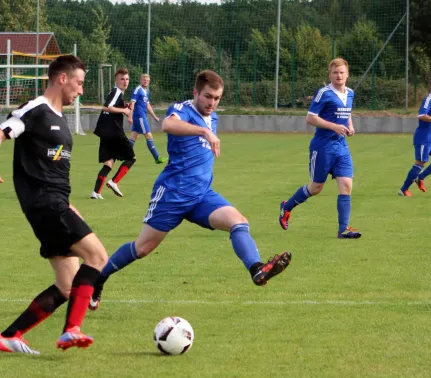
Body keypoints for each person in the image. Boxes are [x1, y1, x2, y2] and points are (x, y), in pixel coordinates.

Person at [88, 70, 292, 311]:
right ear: (196, 92)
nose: (212, 103)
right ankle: (98, 279)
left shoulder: (212, 117)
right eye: (208, 97)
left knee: (238, 222)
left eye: (217, 98)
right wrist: (204, 131)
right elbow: (168, 124)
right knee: (142, 248)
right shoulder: (183, 109)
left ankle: (257, 268)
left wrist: (208, 129)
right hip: (172, 194)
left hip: (202, 195)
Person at [0, 55, 108, 354]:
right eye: (79, 83)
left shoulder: (60, 119)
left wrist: (69, 205)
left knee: (66, 286)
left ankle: (10, 336)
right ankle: (71, 330)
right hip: (44, 204)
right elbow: (0, 132)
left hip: (55, 203)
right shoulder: (36, 110)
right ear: (62, 78)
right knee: (97, 257)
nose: (81, 90)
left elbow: (54, 171)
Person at [278, 58, 361, 239]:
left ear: (347, 74)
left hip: (341, 147)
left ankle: (343, 230)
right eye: (335, 73)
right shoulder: (323, 93)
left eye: (341, 72)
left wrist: (350, 125)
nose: (338, 76)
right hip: (322, 147)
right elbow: (310, 118)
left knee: (346, 185)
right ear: (330, 75)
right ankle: (287, 207)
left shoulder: (351, 93)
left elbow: (347, 112)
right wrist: (333, 127)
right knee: (316, 188)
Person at [90, 68, 136, 199]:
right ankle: (114, 181)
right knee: (131, 158)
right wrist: (125, 111)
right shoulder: (117, 91)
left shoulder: (116, 93)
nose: (125, 81)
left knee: (109, 162)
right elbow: (107, 107)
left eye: (127, 79)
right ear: (116, 80)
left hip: (106, 132)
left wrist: (125, 107)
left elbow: (113, 107)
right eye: (122, 79)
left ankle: (96, 192)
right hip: (114, 132)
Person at [398, 78, 431, 196]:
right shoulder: (428, 100)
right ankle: (403, 190)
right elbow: (421, 115)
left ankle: (421, 177)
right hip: (423, 138)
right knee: (420, 163)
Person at [129, 74, 167, 164]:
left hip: (141, 116)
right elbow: (132, 103)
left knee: (133, 137)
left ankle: (123, 153)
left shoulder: (146, 91)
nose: (145, 81)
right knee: (148, 135)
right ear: (140, 81)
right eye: (144, 80)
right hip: (140, 116)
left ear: (149, 82)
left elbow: (147, 105)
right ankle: (157, 157)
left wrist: (154, 116)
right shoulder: (138, 90)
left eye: (147, 80)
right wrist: (130, 116)